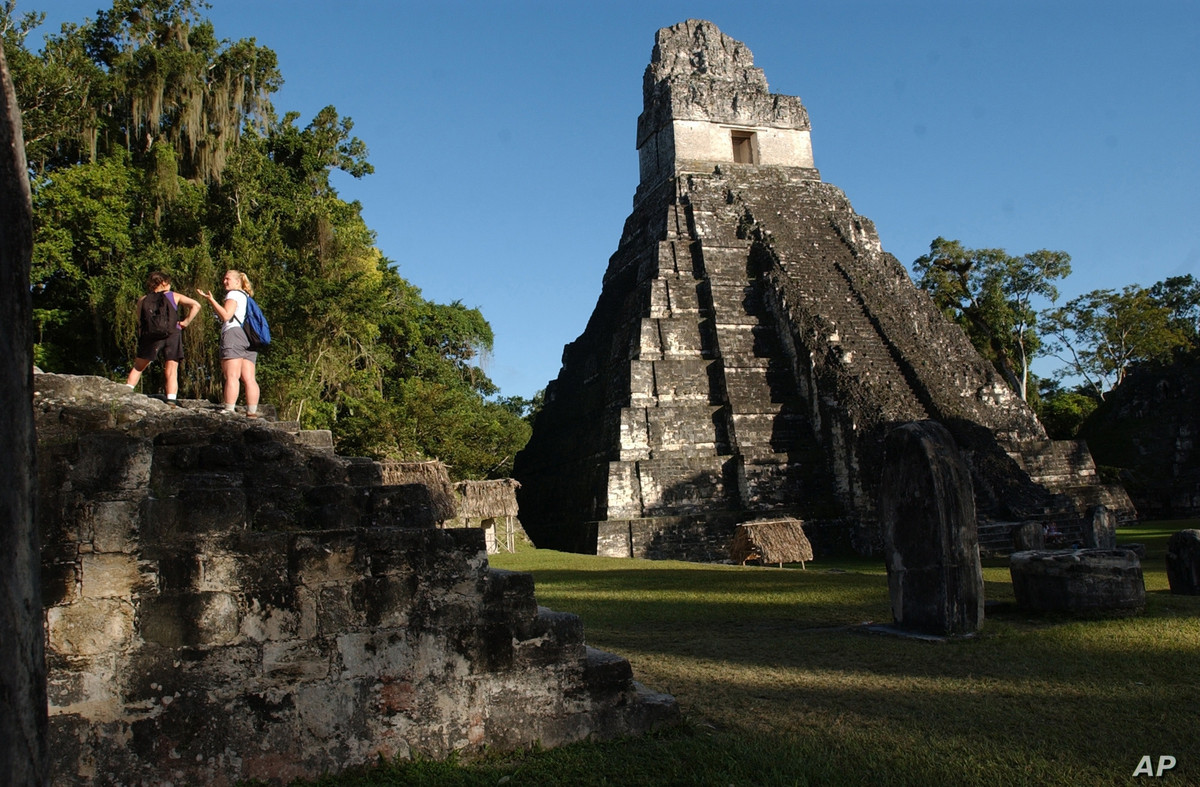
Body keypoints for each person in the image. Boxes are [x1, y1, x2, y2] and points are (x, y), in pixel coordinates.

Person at [125, 271, 200, 403]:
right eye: (169, 282)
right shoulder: (173, 296)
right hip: (172, 333)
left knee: (138, 366)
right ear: (164, 283)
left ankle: (126, 392)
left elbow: (140, 320)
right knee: (171, 368)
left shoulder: (142, 300)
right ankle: (171, 400)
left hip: (150, 335)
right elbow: (196, 305)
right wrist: (185, 322)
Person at [198, 269, 261, 417]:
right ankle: (252, 412)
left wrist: (211, 300)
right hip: (250, 337)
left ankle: (229, 409)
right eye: (224, 279)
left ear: (237, 281)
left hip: (234, 333)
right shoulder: (246, 296)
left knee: (232, 375)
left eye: (228, 279)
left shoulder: (233, 294)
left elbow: (226, 315)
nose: (224, 281)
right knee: (249, 378)